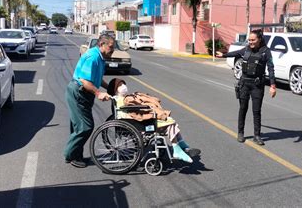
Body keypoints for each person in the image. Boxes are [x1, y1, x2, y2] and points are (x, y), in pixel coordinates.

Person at [107, 78, 200, 163]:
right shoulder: (123, 100)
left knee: (170, 120)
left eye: (123, 84)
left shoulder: (122, 98)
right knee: (170, 123)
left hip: (137, 121)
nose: (123, 87)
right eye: (120, 85)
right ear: (115, 90)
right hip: (138, 123)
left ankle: (183, 147)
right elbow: (134, 112)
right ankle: (177, 149)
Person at [216, 30, 276, 145]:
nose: (250, 42)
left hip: (257, 85)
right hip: (244, 84)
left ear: (259, 39)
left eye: (253, 40)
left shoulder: (266, 52)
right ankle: (240, 133)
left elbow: (271, 68)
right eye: (249, 40)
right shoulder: (247, 49)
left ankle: (257, 135)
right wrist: (223, 55)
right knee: (243, 108)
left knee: (256, 111)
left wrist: (273, 85)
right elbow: (237, 53)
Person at [64, 34, 114, 168]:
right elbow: (85, 81)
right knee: (85, 127)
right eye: (111, 47)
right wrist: (98, 93)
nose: (113, 50)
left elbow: (95, 79)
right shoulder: (93, 57)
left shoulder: (100, 57)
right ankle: (69, 154)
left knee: (78, 126)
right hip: (79, 92)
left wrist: (109, 88)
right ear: (102, 44)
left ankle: (76, 155)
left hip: (84, 94)